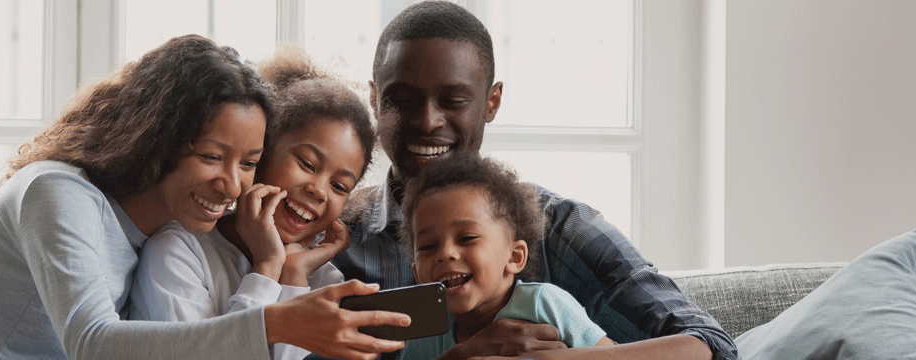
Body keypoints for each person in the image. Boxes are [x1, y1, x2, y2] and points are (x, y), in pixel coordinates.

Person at [0, 35, 408, 360]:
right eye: (211, 156)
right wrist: (278, 320)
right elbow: (93, 344)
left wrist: (284, 272)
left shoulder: (167, 235)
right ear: (156, 137)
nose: (231, 185)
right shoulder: (55, 192)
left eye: (247, 164)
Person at [334, 2, 738, 359]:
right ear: (374, 100)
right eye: (401, 100)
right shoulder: (335, 236)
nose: (427, 121)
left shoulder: (556, 226)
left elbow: (708, 344)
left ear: (491, 102)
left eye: (454, 101)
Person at [128, 46, 379, 360]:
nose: (319, 191)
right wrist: (266, 269)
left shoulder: (323, 279)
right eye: (307, 164)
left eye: (340, 186)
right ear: (263, 152)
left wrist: (293, 274)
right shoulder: (178, 252)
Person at [396, 155, 610, 360]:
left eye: (467, 238)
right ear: (417, 274)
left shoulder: (544, 304)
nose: (445, 253)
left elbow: (614, 355)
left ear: (514, 257)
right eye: (428, 246)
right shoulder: (425, 336)